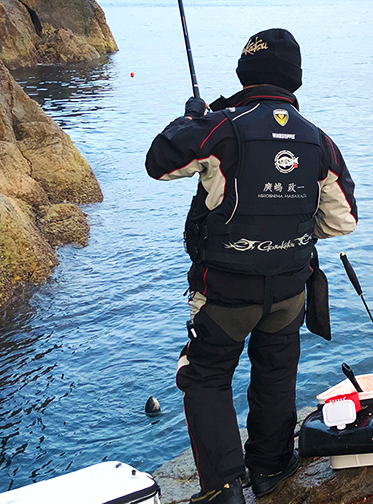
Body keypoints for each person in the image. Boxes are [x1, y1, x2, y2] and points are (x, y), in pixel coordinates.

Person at [145, 28, 357, 504]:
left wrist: (191, 118)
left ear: (245, 72)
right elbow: (343, 221)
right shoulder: (318, 140)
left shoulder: (220, 126)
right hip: (288, 293)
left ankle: (223, 490)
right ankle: (270, 469)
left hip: (224, 292)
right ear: (294, 79)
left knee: (206, 376)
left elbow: (159, 163)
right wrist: (288, 235)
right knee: (277, 373)